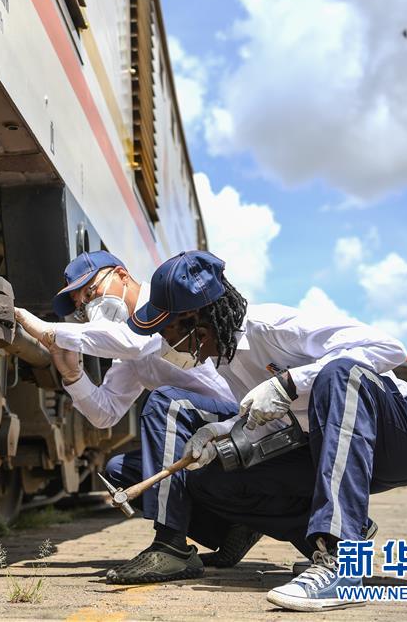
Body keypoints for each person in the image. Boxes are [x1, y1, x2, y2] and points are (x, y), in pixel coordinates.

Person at [127, 250, 407, 611]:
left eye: (167, 332)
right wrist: (223, 431)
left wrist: (291, 382)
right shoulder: (227, 361)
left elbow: (389, 348)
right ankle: (333, 534)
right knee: (211, 481)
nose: (165, 345)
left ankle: (343, 563)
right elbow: (275, 419)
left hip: (406, 438)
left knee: (339, 373)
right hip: (330, 447)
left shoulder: (274, 326)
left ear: (194, 321)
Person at [14, 250, 262, 584]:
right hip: (202, 433)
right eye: (81, 305)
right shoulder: (127, 345)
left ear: (120, 274)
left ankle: (170, 546)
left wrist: (48, 331)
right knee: (121, 471)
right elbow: (106, 414)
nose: (88, 307)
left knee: (164, 402)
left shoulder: (164, 304)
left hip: (241, 420)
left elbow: (134, 342)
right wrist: (73, 376)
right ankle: (233, 529)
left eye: (90, 293)